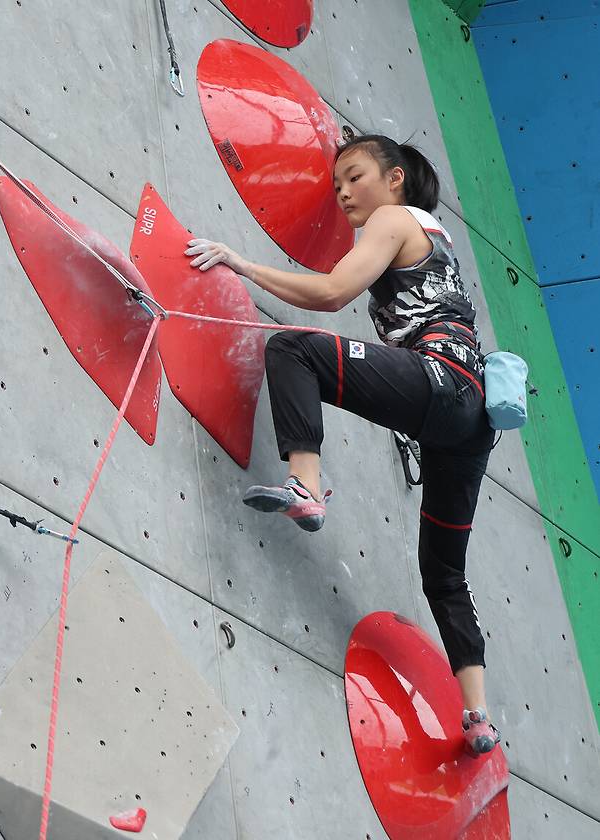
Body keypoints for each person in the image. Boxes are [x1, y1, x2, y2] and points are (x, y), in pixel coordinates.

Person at [185, 134, 500, 756]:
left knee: (293, 348)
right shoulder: (436, 241)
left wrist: (240, 264)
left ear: (396, 179)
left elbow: (332, 293)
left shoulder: (393, 219)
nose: (344, 194)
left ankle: (305, 483)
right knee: (442, 570)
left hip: (441, 382)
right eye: (337, 186)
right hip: (471, 422)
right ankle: (480, 717)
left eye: (354, 176)